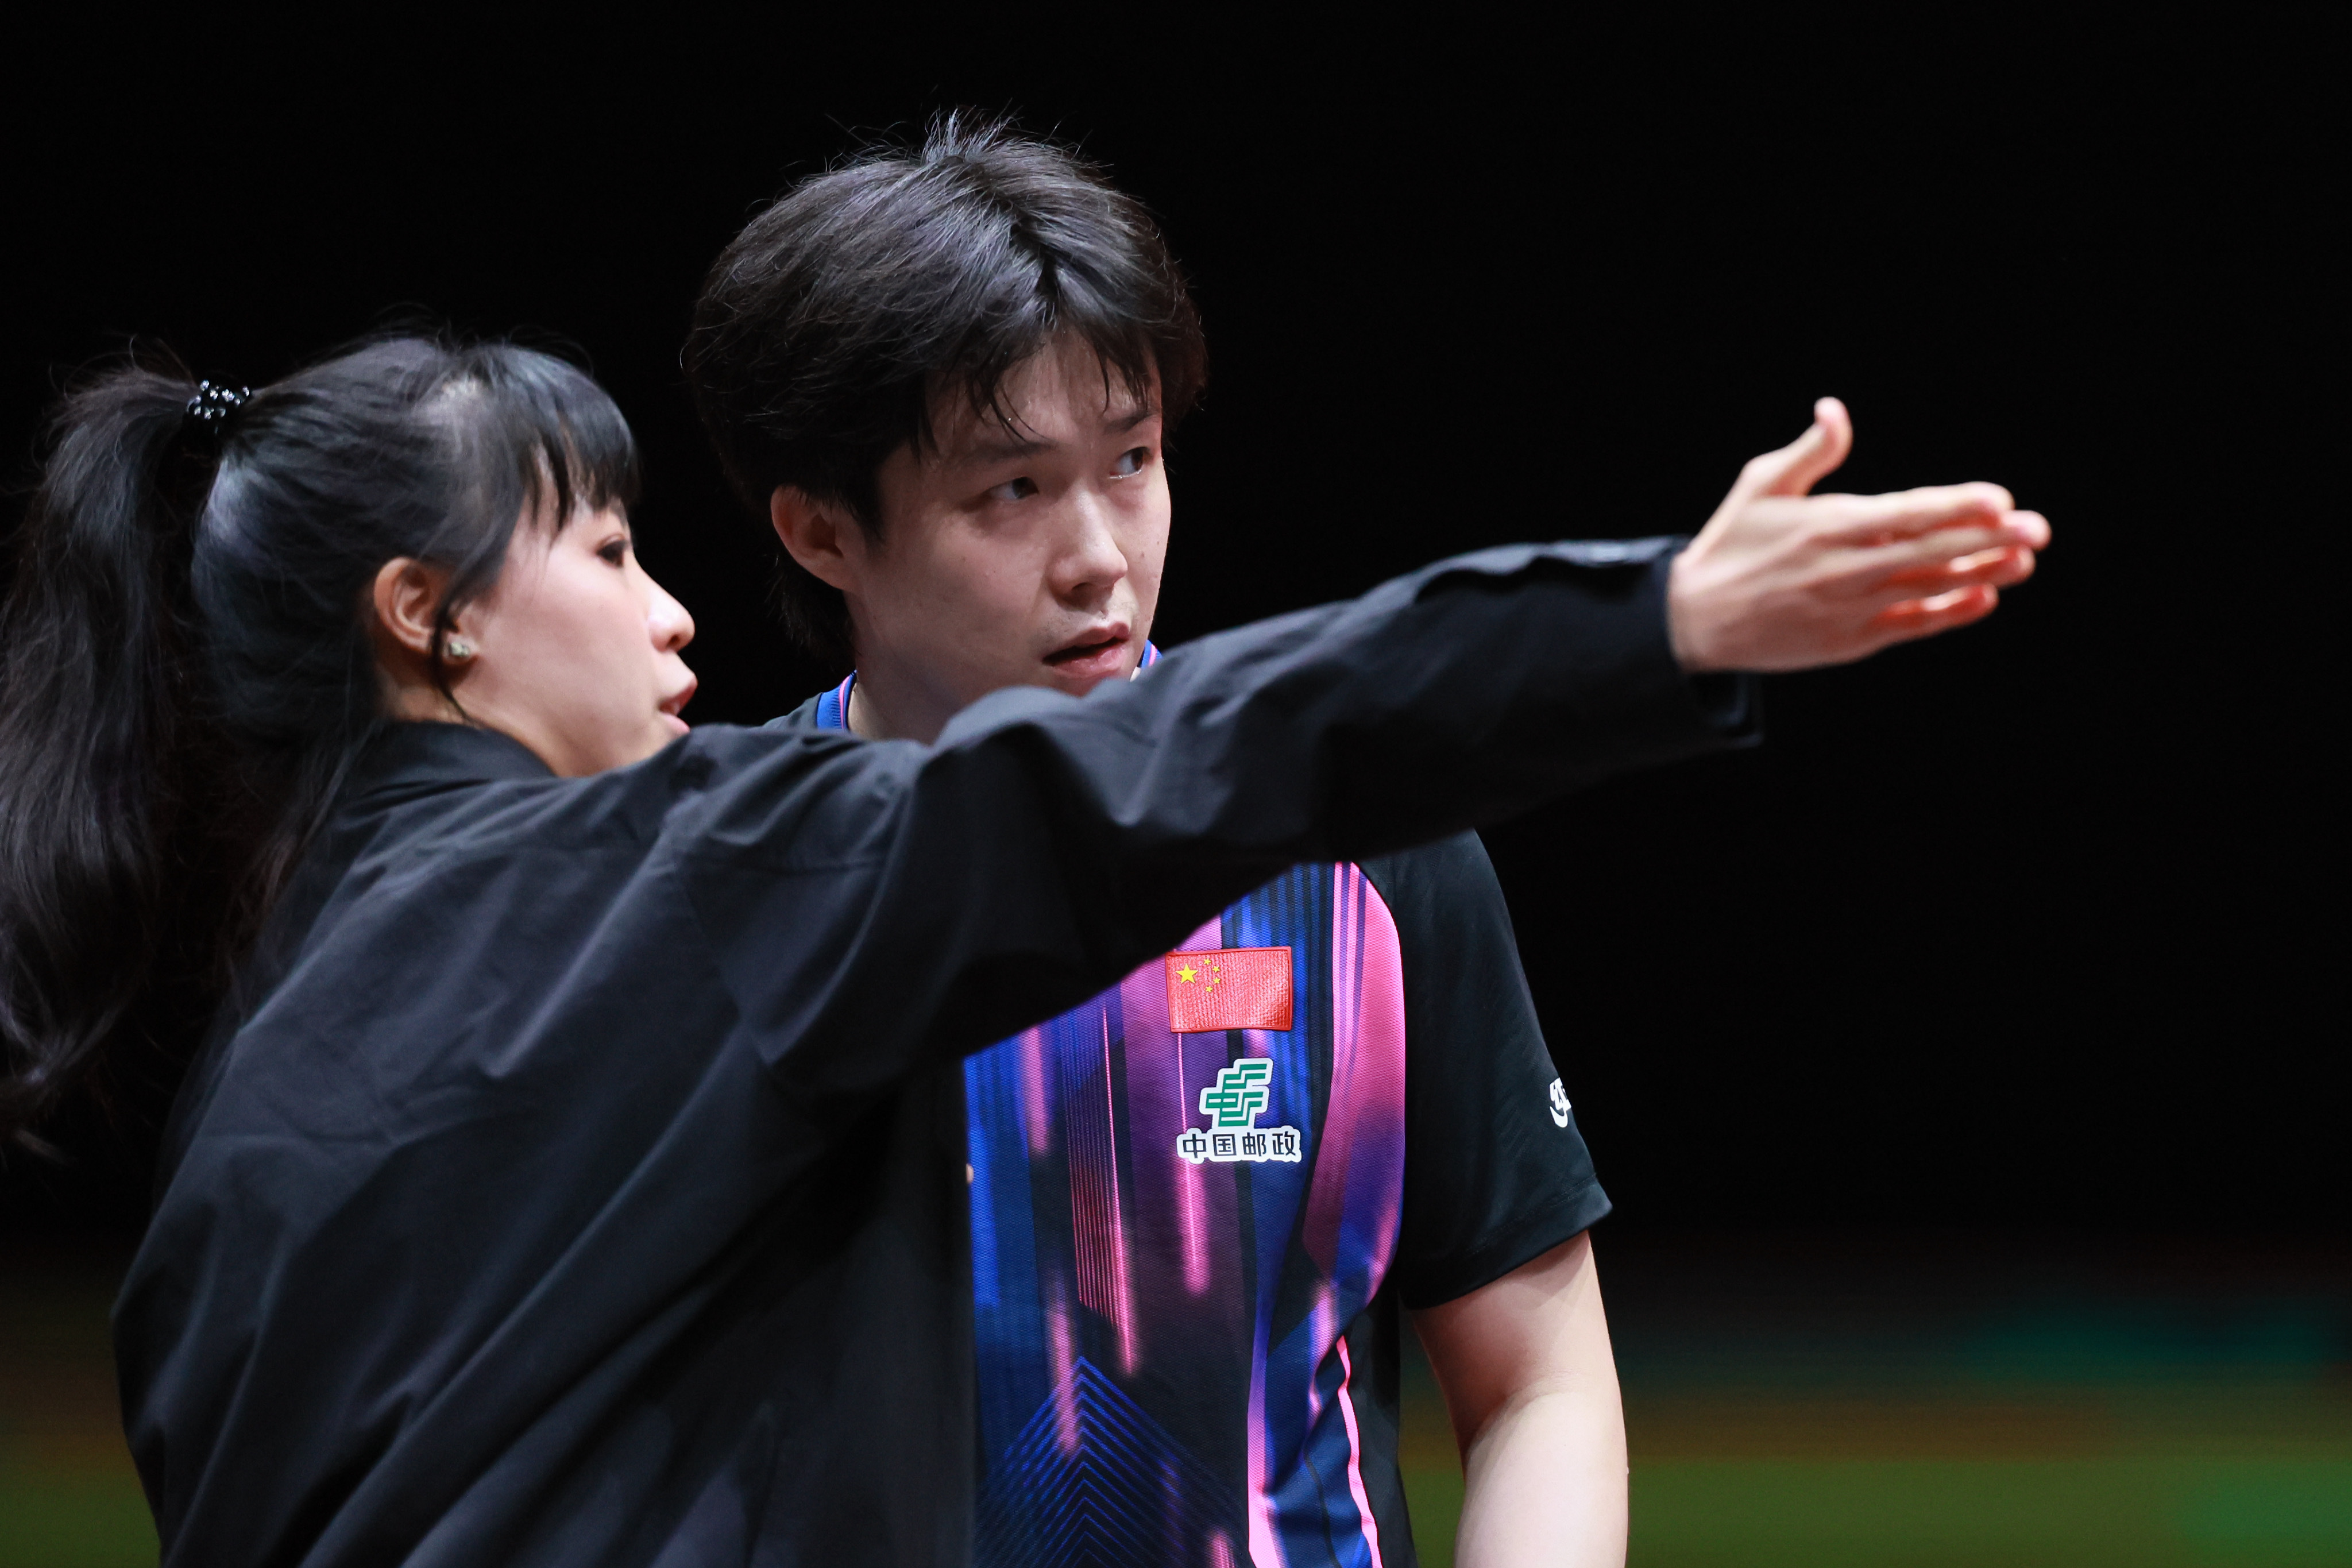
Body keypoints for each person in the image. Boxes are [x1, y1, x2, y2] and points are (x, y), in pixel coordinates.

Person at [0, 325, 2036, 1565]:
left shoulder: (242, 1110)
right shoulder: (701, 874)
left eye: (1132, 460)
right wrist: (1651, 622)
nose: (666, 612)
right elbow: (1195, 752)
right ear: (427, 617)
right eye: (606, 553)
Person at [682, 119, 2048, 1568]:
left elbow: (1538, 1387)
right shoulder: (697, 892)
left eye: (1131, 460)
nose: (1098, 556)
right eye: (1009, 490)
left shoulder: (1369, 866)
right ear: (822, 533)